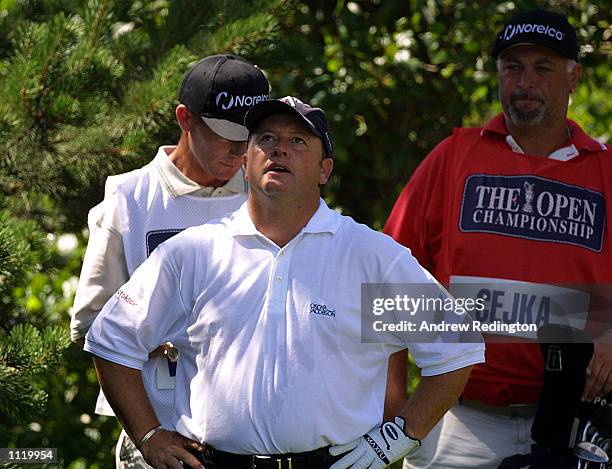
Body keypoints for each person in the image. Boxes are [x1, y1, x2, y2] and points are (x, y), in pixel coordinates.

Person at [83, 96, 486, 469]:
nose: (279, 149)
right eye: (266, 139)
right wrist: (149, 436)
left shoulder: (371, 256)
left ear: (325, 169)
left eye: (297, 141)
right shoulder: (194, 252)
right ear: (245, 162)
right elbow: (112, 339)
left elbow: (457, 347)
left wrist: (400, 437)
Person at [384, 9, 612, 468]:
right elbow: (391, 279)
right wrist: (393, 404)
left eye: (542, 68)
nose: (525, 81)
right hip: (457, 421)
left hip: (579, 429)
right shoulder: (453, 157)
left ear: (573, 78)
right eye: (513, 67)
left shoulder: (605, 170)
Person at [70, 54, 270, 468]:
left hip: (258, 442)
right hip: (162, 439)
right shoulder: (129, 201)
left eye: (251, 135)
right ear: (184, 118)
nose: (239, 149)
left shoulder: (271, 196)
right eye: (225, 133)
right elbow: (92, 324)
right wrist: (147, 434)